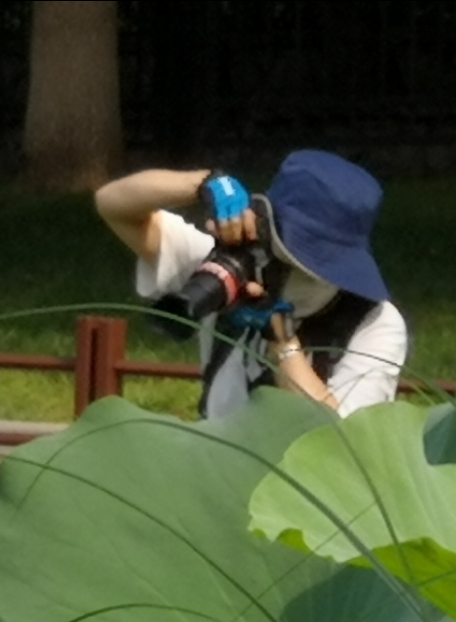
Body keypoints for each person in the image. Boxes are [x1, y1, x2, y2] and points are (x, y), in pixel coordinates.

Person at [95, 149, 409, 420]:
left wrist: (282, 340)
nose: (280, 271)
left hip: (300, 487)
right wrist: (206, 182)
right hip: (212, 476)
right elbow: (113, 203)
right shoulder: (224, 268)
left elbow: (339, 446)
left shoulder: (376, 323)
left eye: (301, 266)